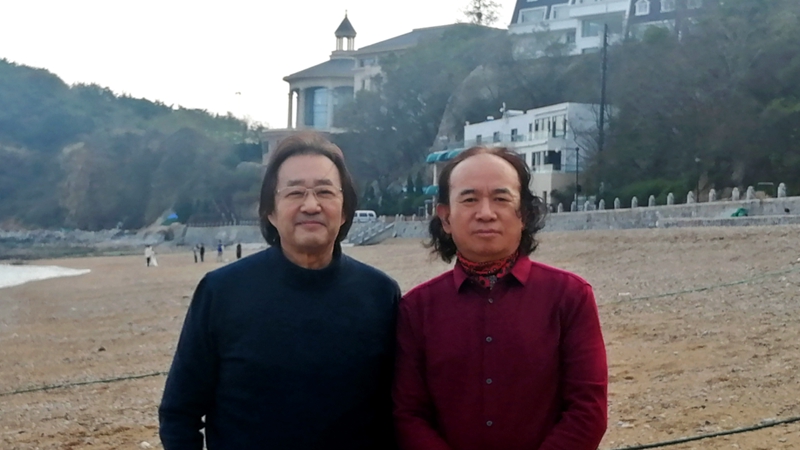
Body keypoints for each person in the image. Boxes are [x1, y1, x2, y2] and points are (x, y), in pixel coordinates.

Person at [159, 132, 400, 449]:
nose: (311, 205)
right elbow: (179, 413)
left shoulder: (380, 295)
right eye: (295, 192)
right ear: (270, 211)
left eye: (325, 192)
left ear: (345, 210)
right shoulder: (222, 292)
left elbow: (397, 411)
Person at [393, 146, 608, 450]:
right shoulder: (416, 308)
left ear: (524, 214)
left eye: (501, 198)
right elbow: (408, 414)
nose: (486, 213)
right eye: (469, 199)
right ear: (446, 217)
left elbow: (588, 410)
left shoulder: (570, 296)